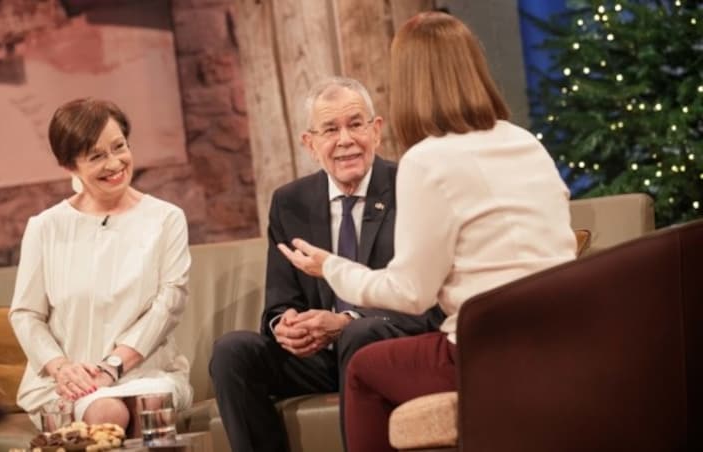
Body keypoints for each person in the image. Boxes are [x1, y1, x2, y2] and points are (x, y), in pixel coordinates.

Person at [279, 12, 578, 452]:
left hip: (490, 350)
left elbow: (411, 292)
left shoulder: (426, 160)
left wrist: (331, 267)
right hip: (566, 337)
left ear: (409, 84)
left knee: (363, 368)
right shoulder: (524, 141)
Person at [209, 76, 444, 452]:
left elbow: (429, 303)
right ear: (310, 143)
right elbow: (279, 300)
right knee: (231, 352)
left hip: (389, 342)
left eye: (355, 124)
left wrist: (345, 323)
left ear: (377, 130)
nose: (345, 140)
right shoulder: (290, 202)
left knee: (357, 334)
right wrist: (285, 325)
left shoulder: (410, 185)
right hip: (320, 357)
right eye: (330, 130)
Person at [9, 98, 193, 431]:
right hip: (68, 380)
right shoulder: (45, 227)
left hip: (145, 370)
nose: (115, 163)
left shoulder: (166, 218)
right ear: (69, 166)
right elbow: (26, 314)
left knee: (150, 405)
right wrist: (62, 368)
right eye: (96, 156)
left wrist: (112, 367)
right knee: (107, 412)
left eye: (119, 147)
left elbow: (169, 304)